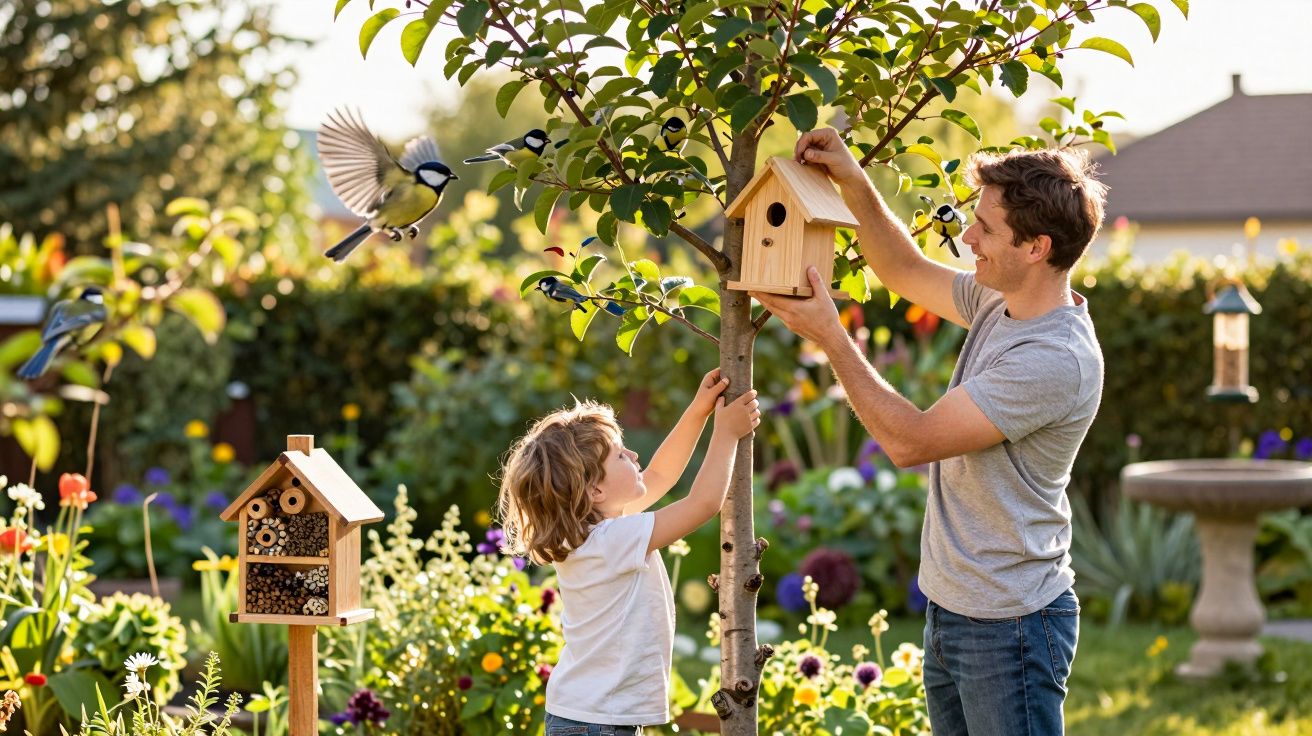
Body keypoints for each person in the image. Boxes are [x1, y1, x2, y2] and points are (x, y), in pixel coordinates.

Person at [751, 127, 1107, 735]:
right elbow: (903, 268)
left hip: (1010, 625)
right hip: (955, 608)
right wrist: (853, 181)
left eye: (985, 228)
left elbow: (909, 442)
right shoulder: (1001, 300)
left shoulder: (1053, 358)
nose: (968, 237)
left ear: (1036, 247)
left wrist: (832, 337)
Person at [496, 369, 761, 734]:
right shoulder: (611, 541)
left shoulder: (593, 534)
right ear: (595, 491)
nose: (634, 454)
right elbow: (702, 504)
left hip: (589, 716)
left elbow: (660, 475)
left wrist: (699, 410)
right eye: (620, 456)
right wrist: (726, 433)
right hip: (599, 722)